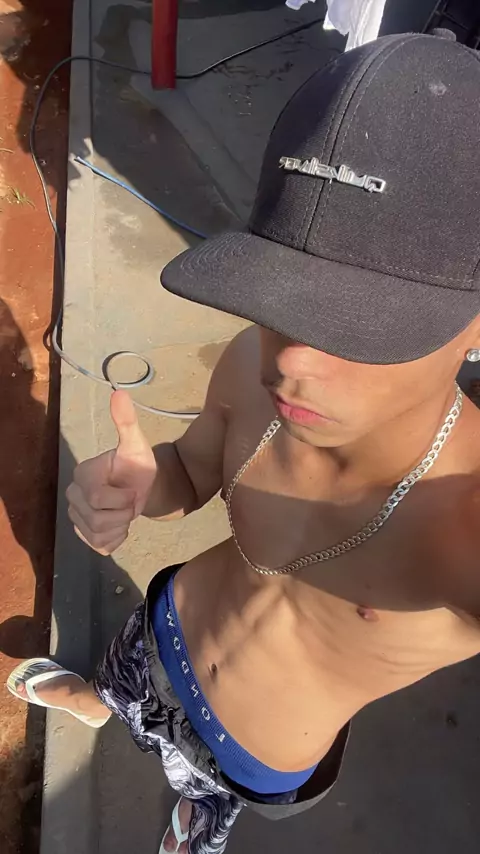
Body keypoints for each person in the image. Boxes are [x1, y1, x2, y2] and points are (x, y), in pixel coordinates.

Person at [8, 29, 480, 854]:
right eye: (277, 300)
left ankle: (195, 822)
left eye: (361, 325)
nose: (292, 361)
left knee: (203, 805)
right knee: (121, 693)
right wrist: (145, 483)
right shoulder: (246, 368)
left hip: (251, 751)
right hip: (163, 629)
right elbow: (192, 471)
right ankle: (97, 703)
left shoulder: (464, 521)